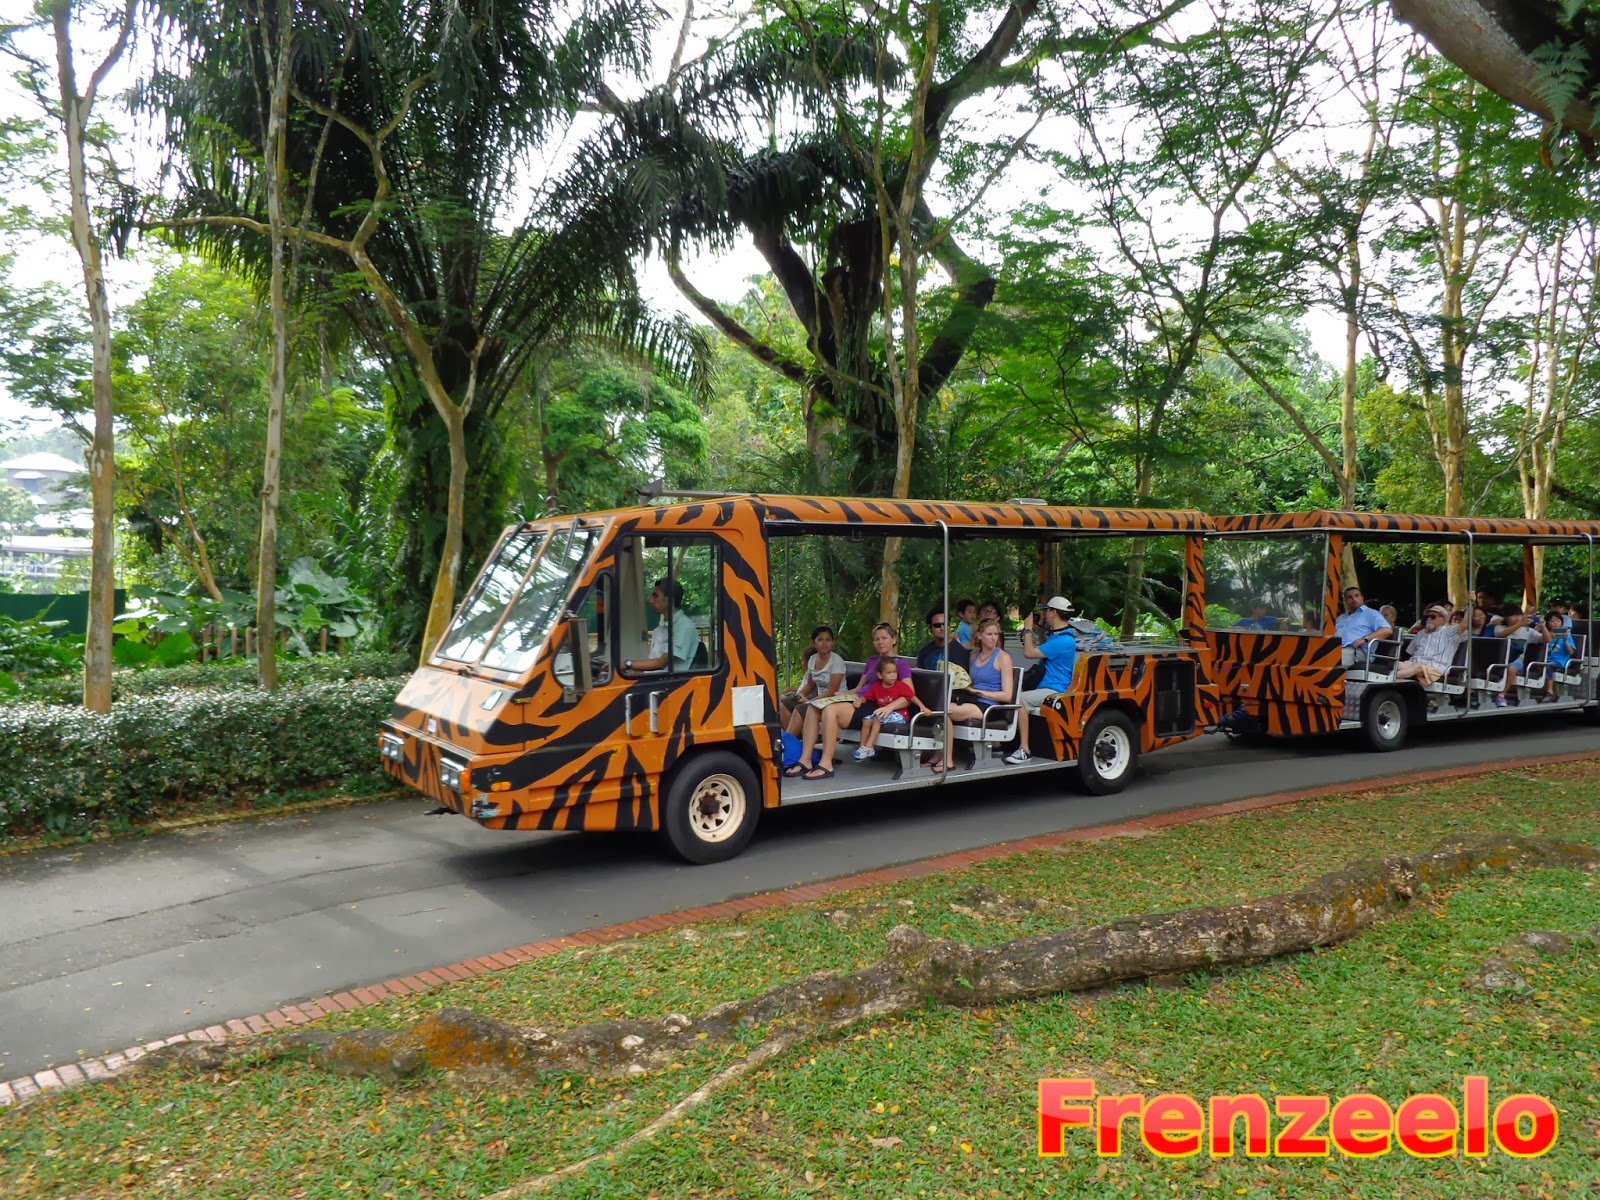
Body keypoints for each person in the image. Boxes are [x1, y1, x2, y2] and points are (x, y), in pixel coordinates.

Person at [801, 623, 912, 780]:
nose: (880, 642)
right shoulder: (872, 661)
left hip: (874, 705)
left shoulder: (900, 664)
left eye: (884, 638)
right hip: (857, 699)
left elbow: (909, 695)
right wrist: (841, 695)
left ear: (894, 639)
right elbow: (860, 688)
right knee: (814, 707)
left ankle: (826, 763)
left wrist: (889, 707)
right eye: (876, 639)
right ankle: (805, 760)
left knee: (830, 710)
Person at [1004, 596, 1077, 765]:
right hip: (1047, 686)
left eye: (1046, 611)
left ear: (1053, 612)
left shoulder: (1063, 640)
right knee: (1015, 696)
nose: (1043, 615)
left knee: (1019, 700)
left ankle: (1024, 749)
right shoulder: (1058, 636)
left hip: (1054, 689)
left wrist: (1028, 629)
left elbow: (1029, 653)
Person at [849, 657, 926, 762]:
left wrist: (923, 707)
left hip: (899, 716)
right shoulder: (876, 687)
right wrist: (860, 700)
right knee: (866, 720)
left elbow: (912, 697)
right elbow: (866, 697)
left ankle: (869, 747)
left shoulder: (901, 686)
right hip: (884, 714)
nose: (893, 675)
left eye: (894, 672)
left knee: (877, 717)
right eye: (889, 673)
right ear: (880, 675)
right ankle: (862, 748)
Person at [780, 625, 845, 735]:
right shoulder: (812, 659)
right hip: (819, 700)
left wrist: (811, 701)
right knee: (784, 703)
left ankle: (788, 742)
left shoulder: (836, 661)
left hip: (834, 701)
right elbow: (809, 685)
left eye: (828, 640)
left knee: (800, 710)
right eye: (820, 640)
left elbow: (832, 691)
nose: (824, 644)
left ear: (832, 642)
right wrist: (799, 695)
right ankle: (794, 739)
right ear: (814, 643)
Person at [625, 578, 700, 673]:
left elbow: (660, 664)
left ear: (670, 599)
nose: (651, 601)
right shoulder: (658, 630)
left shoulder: (684, 627)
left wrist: (626, 664)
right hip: (652, 682)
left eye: (655, 596)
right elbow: (652, 664)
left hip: (670, 685)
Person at [1395, 603, 1468, 686]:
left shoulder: (1449, 632)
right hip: (1413, 664)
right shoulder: (1420, 633)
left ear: (1443, 619)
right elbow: (1410, 652)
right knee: (1395, 664)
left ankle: (1389, 681)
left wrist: (1471, 605)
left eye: (1433, 617)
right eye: (1427, 617)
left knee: (1418, 668)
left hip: (1435, 669)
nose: (1429, 619)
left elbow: (1464, 624)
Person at [1491, 609, 1548, 707]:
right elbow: (1501, 635)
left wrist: (1542, 626)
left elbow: (1546, 639)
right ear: (1506, 618)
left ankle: (1501, 695)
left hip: (1517, 661)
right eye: (1513, 615)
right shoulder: (1499, 627)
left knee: (1511, 669)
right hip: (1500, 660)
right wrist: (1520, 624)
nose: (1517, 618)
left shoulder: (1528, 631)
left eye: (1519, 615)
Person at [1335, 586, 1393, 668]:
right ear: (1345, 601)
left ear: (1362, 598)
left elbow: (1387, 630)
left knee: (1332, 661)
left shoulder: (1372, 614)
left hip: (1357, 651)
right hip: (1336, 649)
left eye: (1356, 596)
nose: (1354, 599)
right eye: (1350, 597)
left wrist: (1364, 639)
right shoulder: (1341, 618)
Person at [1533, 610, 1578, 702]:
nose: (1555, 623)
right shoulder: (1544, 635)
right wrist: (1540, 625)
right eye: (1552, 621)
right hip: (1545, 660)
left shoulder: (1567, 636)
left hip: (1560, 661)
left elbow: (1571, 652)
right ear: (1547, 623)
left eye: (1558, 621)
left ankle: (1549, 692)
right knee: (1544, 665)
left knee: (1548, 666)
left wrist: (1565, 640)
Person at [915, 607, 971, 672]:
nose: (942, 628)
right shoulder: (924, 652)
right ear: (929, 627)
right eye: (937, 625)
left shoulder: (960, 652)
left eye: (945, 624)